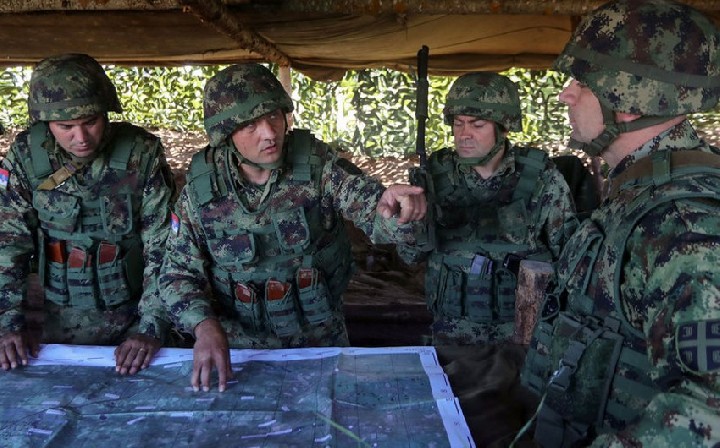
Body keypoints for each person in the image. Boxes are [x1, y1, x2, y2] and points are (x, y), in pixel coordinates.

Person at [518, 0, 720, 446]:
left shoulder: (687, 228)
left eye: (582, 82)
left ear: (628, 100)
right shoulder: (642, 190)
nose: (566, 95)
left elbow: (708, 413)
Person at [158, 63, 426, 392]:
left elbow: (372, 210)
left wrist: (397, 213)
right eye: (250, 124)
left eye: (274, 115)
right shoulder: (201, 192)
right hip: (240, 351)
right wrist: (204, 327)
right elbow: (176, 273)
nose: (269, 133)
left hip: (320, 341)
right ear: (225, 133)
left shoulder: (318, 166)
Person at [0, 54, 175, 375]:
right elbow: (8, 244)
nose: (81, 138)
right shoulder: (26, 156)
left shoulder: (140, 152)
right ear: (45, 122)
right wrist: (8, 324)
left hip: (134, 316)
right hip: (57, 323)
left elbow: (164, 247)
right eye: (65, 127)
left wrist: (151, 327)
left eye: (91, 122)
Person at [396, 72, 578, 346]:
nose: (464, 134)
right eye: (458, 123)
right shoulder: (433, 177)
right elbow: (409, 256)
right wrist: (412, 225)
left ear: (504, 127)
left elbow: (570, 262)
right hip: (451, 339)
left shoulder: (542, 180)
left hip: (523, 341)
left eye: (477, 124)